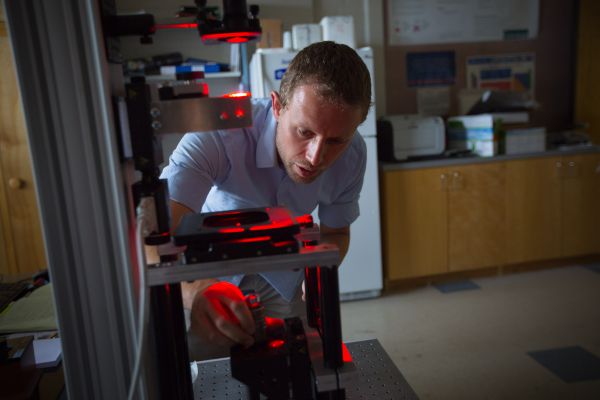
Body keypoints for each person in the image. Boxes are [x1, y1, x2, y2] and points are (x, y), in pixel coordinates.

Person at [160, 41, 372, 360]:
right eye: (304, 132)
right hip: (209, 276)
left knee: (296, 367)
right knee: (204, 371)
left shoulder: (353, 153)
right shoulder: (218, 128)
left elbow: (335, 234)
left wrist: (319, 275)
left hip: (285, 278)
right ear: (277, 106)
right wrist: (195, 290)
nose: (316, 157)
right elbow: (155, 235)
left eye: (335, 141)